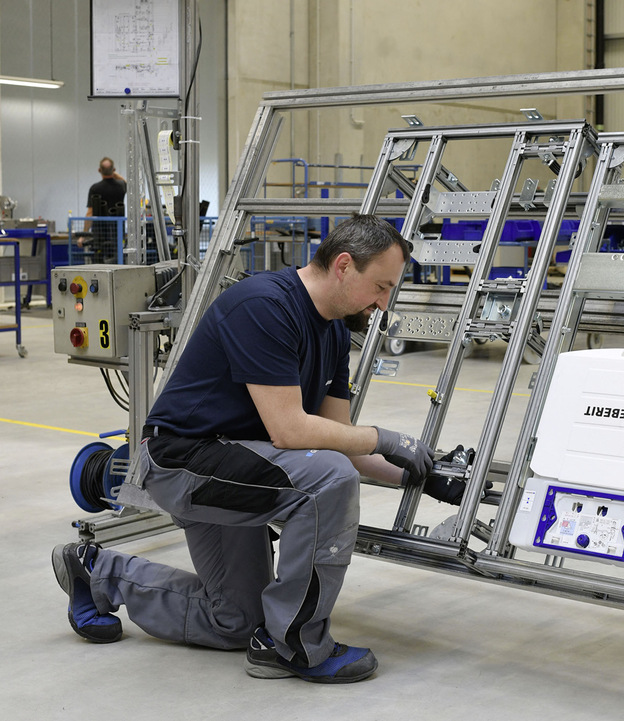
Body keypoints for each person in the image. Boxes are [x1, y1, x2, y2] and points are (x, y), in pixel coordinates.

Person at [52, 214, 469, 684]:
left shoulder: (333, 330)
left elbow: (338, 437)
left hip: (238, 470)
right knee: (328, 481)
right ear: (345, 266)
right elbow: (291, 431)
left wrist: (420, 473)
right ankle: (295, 645)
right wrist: (389, 438)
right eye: (382, 286)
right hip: (182, 461)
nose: (383, 302)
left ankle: (96, 571)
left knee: (235, 621)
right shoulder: (265, 306)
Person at [80, 157, 126, 263]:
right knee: (118, 260)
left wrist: (83, 235)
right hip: (117, 231)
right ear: (114, 170)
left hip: (100, 232)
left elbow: (90, 213)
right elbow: (126, 182)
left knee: (99, 262)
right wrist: (114, 173)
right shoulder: (121, 186)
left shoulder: (95, 188)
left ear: (99, 170)